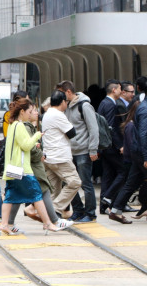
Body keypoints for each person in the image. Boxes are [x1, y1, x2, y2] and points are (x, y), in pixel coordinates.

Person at [7, 102, 73, 231]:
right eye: (32, 111)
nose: (35, 113)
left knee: (17, 194)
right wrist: (40, 154)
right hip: (28, 166)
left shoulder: (25, 125)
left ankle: (8, 224)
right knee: (42, 191)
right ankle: (52, 221)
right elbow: (28, 146)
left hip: (25, 166)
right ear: (24, 112)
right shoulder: (24, 126)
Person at [109, 79, 147, 224]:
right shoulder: (146, 109)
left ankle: (115, 210)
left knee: (132, 183)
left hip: (139, 152)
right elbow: (144, 134)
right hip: (142, 153)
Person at [0, 99, 60, 235]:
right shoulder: (20, 125)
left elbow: (20, 145)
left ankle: (4, 224)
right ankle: (48, 223)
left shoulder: (12, 125)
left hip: (12, 168)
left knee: (10, 197)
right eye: (29, 111)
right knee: (37, 194)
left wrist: (32, 143)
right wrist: (37, 136)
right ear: (22, 112)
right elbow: (26, 145)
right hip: (22, 169)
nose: (31, 114)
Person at [57, 80, 99, 223]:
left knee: (86, 183)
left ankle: (90, 213)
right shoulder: (65, 107)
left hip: (83, 151)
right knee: (69, 183)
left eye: (61, 93)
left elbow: (93, 128)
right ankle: (78, 210)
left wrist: (93, 149)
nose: (59, 96)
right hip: (70, 152)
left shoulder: (85, 105)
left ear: (68, 92)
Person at [42, 91, 81, 217]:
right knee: (75, 182)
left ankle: (51, 219)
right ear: (63, 102)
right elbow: (72, 133)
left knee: (54, 190)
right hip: (60, 158)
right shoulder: (58, 115)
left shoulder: (47, 114)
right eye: (66, 102)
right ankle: (56, 209)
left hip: (49, 157)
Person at [98, 80, 124, 214]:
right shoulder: (110, 105)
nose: (122, 91)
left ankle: (104, 204)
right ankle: (108, 199)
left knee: (108, 174)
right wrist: (119, 145)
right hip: (111, 146)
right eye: (120, 89)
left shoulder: (104, 103)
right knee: (123, 171)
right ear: (114, 90)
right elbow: (110, 127)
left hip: (105, 146)